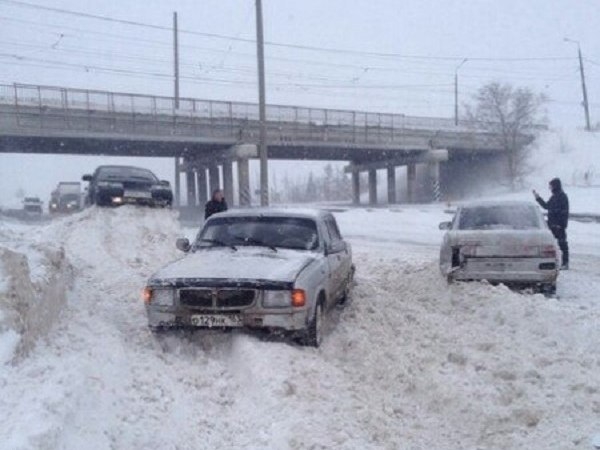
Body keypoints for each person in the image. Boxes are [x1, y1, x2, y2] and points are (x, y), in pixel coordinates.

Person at [533, 177, 569, 269]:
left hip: (559, 226)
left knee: (562, 244)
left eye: (551, 186)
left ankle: (565, 263)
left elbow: (564, 212)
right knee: (549, 244)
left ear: (555, 186)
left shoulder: (562, 197)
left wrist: (560, 224)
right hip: (551, 225)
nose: (550, 188)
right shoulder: (554, 197)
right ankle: (552, 262)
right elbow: (546, 206)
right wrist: (538, 198)